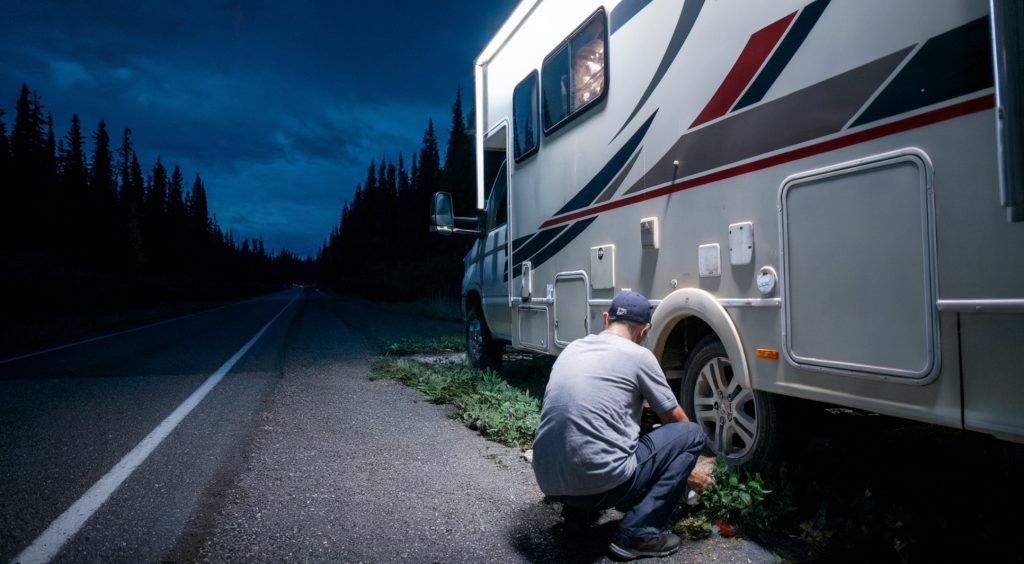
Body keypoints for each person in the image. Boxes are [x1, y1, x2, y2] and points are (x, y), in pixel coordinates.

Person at [532, 291, 708, 560]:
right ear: (644, 330)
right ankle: (638, 533)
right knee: (692, 434)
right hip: (602, 484)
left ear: (606, 319)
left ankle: (575, 518)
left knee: (590, 435)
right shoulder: (639, 356)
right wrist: (691, 468)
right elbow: (677, 421)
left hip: (548, 480)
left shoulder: (573, 348)